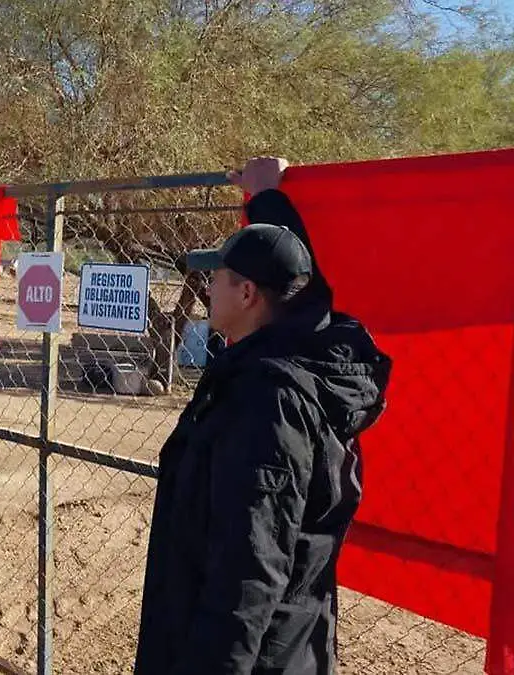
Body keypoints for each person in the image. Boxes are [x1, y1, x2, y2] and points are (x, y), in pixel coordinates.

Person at [134, 157, 393, 675]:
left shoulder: (267, 400)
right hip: (288, 645)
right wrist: (266, 197)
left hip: (252, 658)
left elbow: (249, 568)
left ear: (248, 293)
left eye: (218, 278)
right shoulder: (301, 352)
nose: (207, 289)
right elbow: (302, 285)